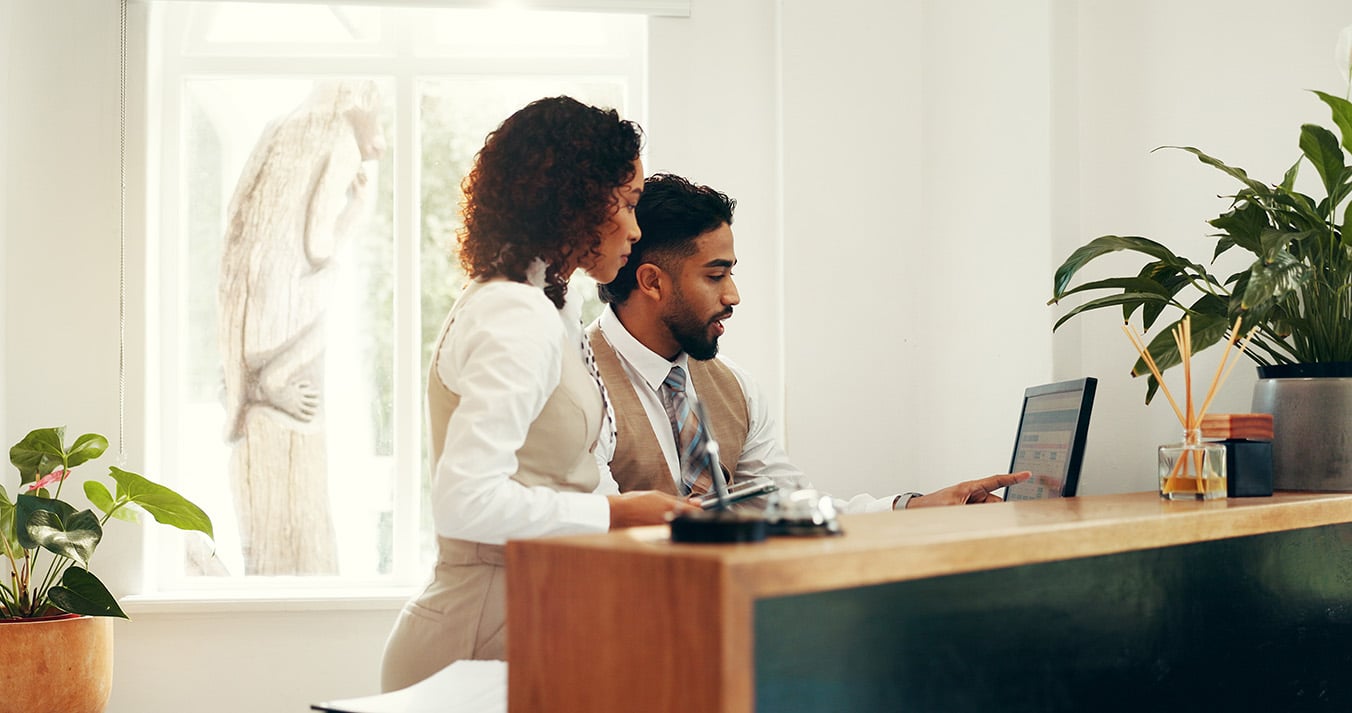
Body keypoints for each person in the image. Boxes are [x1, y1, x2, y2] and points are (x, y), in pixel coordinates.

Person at [380, 98, 693, 692]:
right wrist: (617, 515)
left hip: (531, 623)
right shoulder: (513, 313)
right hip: (476, 641)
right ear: (571, 200)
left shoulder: (550, 305)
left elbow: (566, 470)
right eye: (626, 204)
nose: (636, 228)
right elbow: (464, 502)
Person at [590, 173, 1028, 510]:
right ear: (652, 282)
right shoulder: (578, 382)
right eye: (715, 275)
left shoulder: (734, 389)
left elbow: (793, 507)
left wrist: (918, 506)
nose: (733, 296)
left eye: (731, 273)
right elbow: (595, 534)